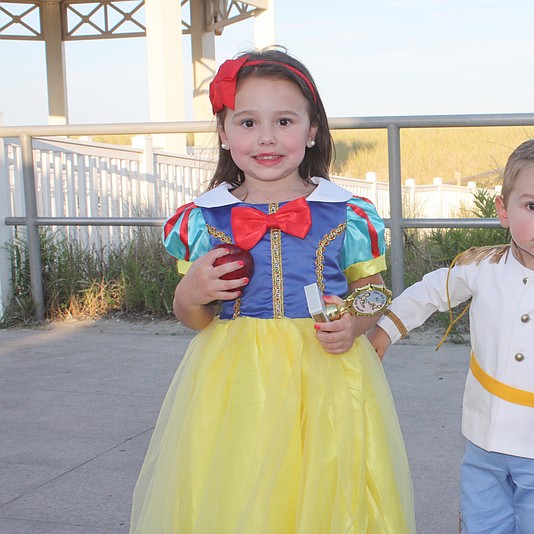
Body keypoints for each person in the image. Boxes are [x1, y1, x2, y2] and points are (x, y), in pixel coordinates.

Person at [130, 47, 415, 533]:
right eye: (247, 123)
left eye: (284, 121)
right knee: (239, 484)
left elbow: (374, 291)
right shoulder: (204, 219)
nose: (266, 137)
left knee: (328, 485)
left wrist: (355, 319)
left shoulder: (345, 213)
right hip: (236, 380)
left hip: (326, 374)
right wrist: (194, 290)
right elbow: (193, 317)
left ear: (312, 130)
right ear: (223, 133)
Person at [369, 136, 534, 533]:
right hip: (484, 437)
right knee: (481, 523)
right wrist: (385, 329)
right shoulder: (482, 268)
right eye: (532, 206)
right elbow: (430, 291)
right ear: (503, 210)